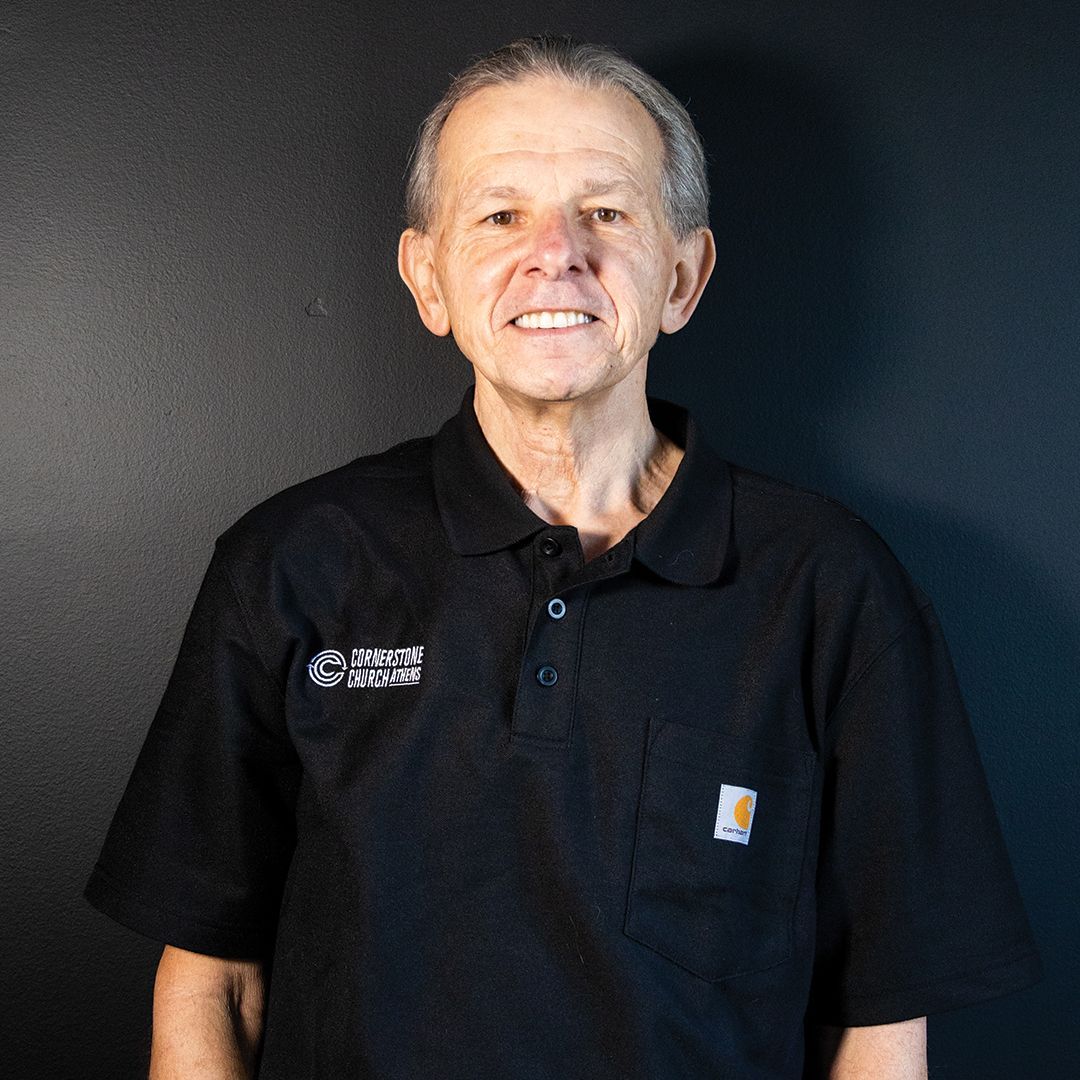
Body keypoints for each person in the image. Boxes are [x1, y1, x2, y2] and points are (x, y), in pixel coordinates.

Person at [85, 35, 1041, 1079]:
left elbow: (881, 1018)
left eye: (608, 213)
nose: (556, 254)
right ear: (429, 278)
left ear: (683, 277)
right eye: (500, 216)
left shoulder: (830, 587)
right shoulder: (293, 563)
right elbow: (211, 980)